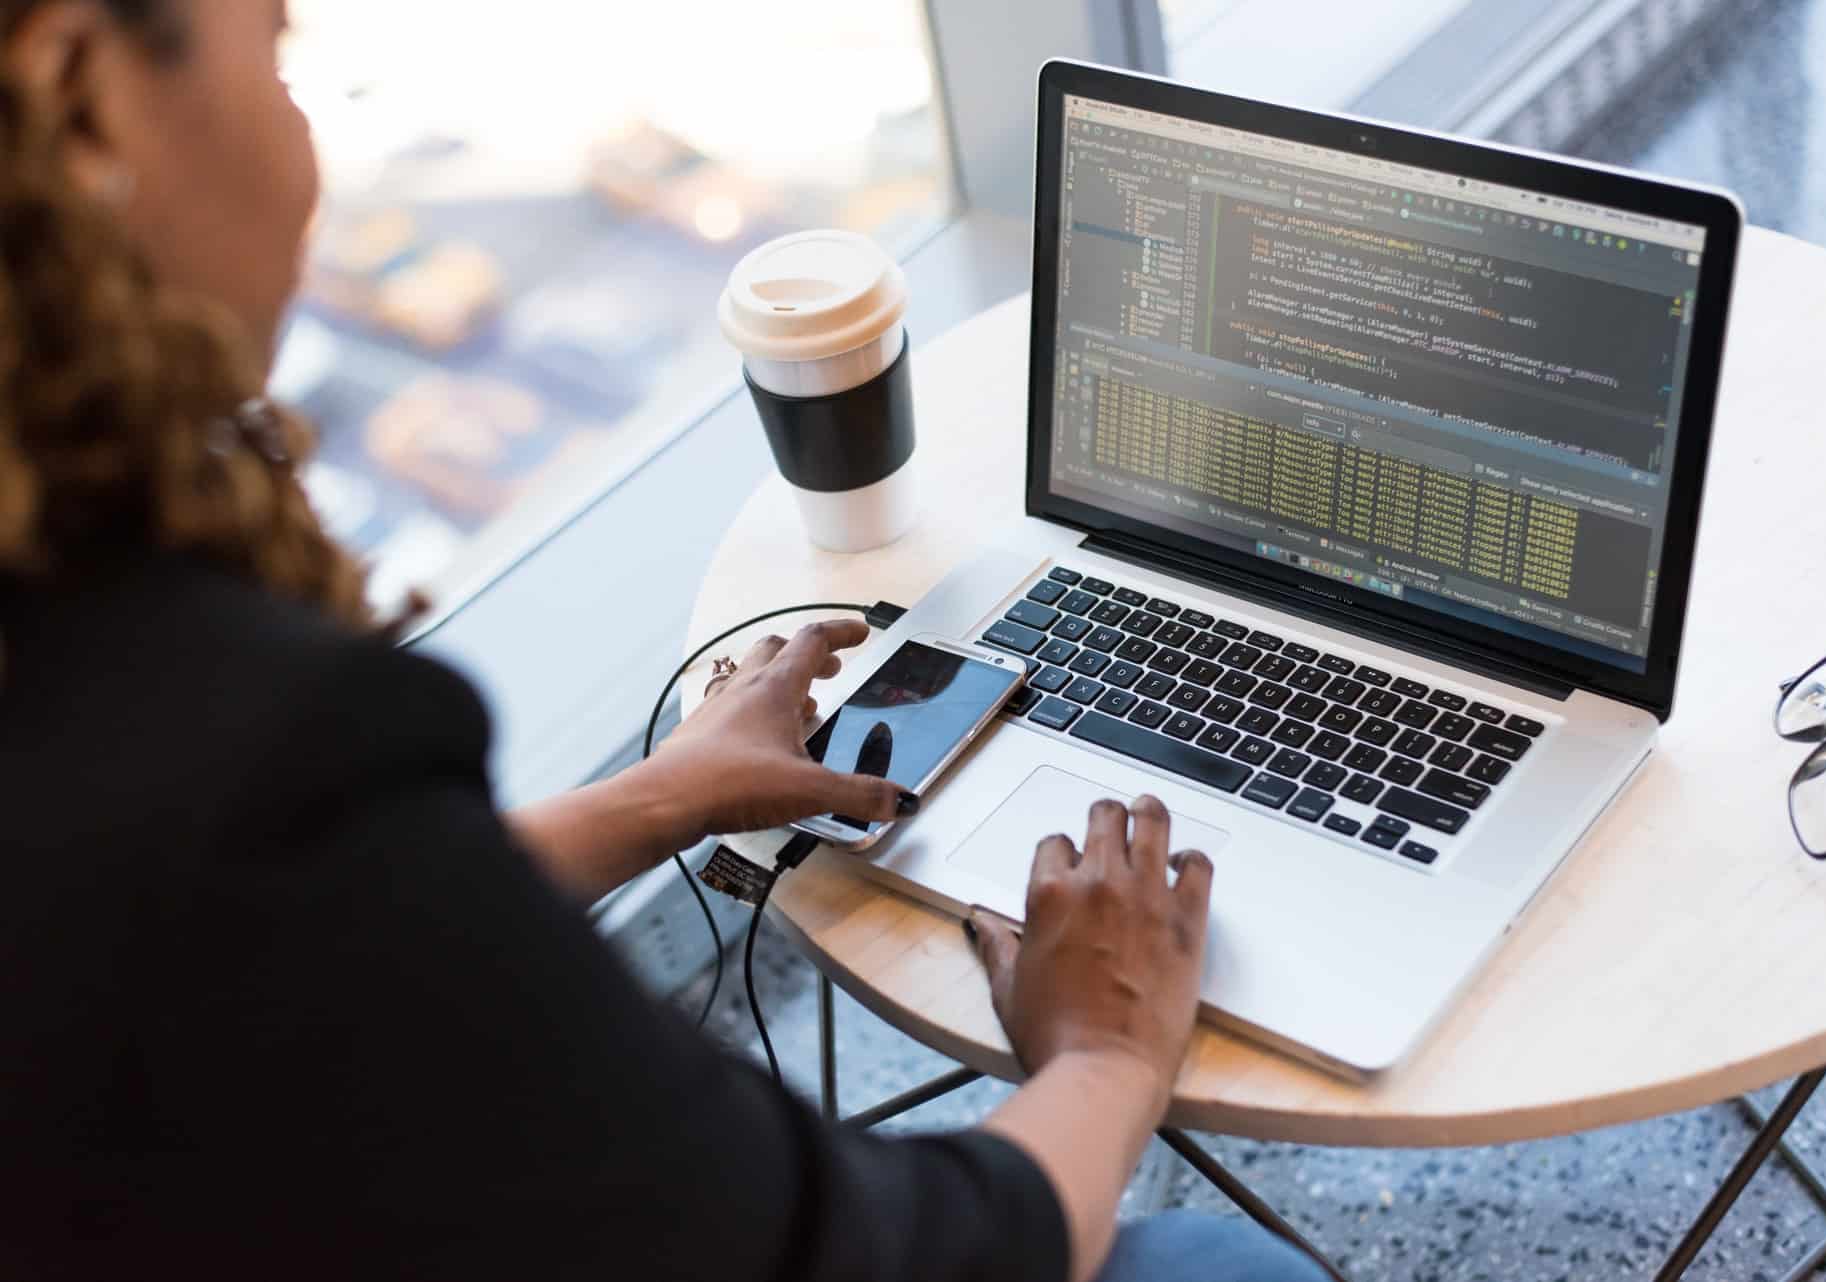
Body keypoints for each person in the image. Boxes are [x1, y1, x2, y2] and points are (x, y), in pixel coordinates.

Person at [0, 3, 1329, 1279]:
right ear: (81, 101)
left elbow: (272, 939)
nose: (301, 140)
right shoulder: (249, 749)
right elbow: (879, 1256)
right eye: (277, 51)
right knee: (1225, 1263)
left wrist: (659, 795)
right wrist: (1102, 1051)